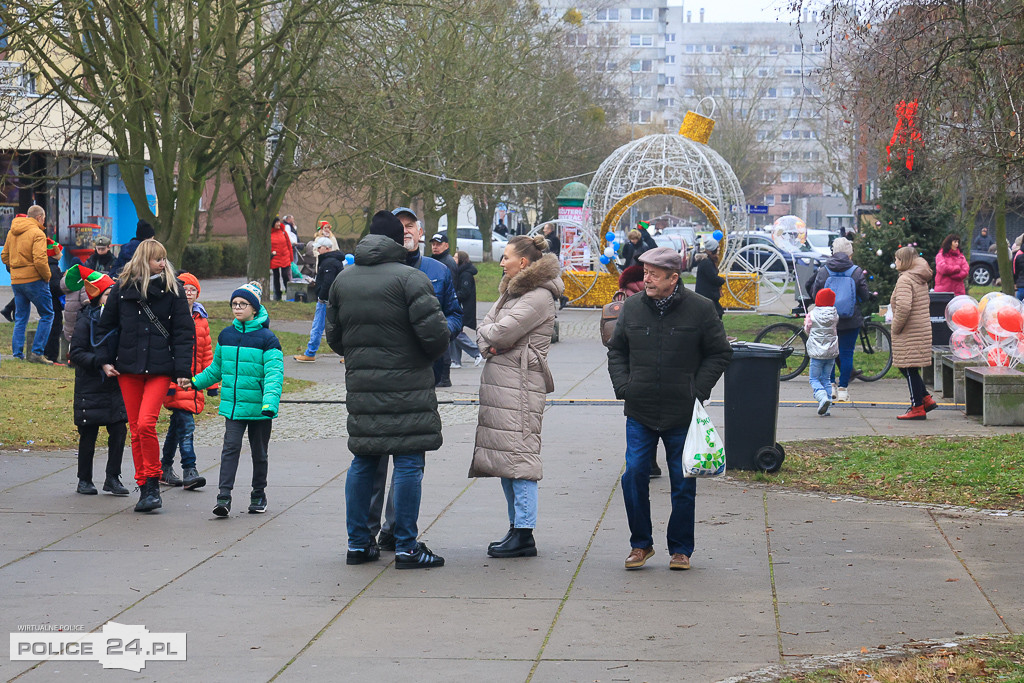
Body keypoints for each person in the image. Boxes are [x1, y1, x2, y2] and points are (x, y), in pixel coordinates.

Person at [325, 210, 449, 568]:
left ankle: (358, 544)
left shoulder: (343, 281)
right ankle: (408, 547)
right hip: (409, 387)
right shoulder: (411, 279)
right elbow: (436, 335)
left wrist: (362, 357)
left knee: (364, 459)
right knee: (409, 461)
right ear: (398, 241)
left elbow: (334, 337)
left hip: (363, 387)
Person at [607, 247, 732, 571]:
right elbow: (616, 351)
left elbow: (719, 353)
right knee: (634, 474)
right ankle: (640, 544)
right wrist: (624, 387)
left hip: (682, 413)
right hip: (640, 409)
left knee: (682, 481)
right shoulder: (632, 308)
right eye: (644, 271)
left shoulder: (701, 309)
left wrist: (698, 390)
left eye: (653, 274)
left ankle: (680, 549)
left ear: (673, 278)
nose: (645, 278)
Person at [469, 234, 563, 558]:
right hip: (505, 382)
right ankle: (515, 527)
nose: (501, 263)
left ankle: (524, 533)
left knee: (520, 457)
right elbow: (487, 327)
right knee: (507, 458)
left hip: (520, 385)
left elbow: (499, 332)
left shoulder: (537, 296)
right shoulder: (513, 291)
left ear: (523, 262)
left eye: (505, 257)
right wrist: (492, 339)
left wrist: (493, 339)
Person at [95, 239, 195, 513]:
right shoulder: (121, 289)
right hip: (128, 368)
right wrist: (104, 361)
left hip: (160, 368)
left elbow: (184, 333)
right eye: (157, 260)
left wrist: (184, 371)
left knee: (145, 424)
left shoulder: (171, 289)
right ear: (144, 260)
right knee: (136, 428)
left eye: (164, 259)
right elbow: (106, 327)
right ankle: (145, 485)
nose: (163, 264)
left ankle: (152, 483)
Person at [189, 281, 283, 516]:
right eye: (234, 304)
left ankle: (258, 493)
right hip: (233, 407)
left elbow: (274, 374)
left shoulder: (267, 338)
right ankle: (224, 496)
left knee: (259, 453)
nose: (238, 308)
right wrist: (193, 383)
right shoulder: (227, 335)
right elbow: (216, 369)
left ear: (254, 308)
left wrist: (270, 402)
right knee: (229, 449)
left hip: (261, 408)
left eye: (243, 304)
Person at [66, 265, 130, 497]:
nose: (112, 298)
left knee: (119, 430)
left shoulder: (121, 319)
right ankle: (84, 479)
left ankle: (113, 477)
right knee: (89, 433)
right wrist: (100, 363)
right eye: (107, 294)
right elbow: (76, 353)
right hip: (90, 386)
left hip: (114, 386)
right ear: (98, 297)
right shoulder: (86, 320)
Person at [394, 207, 462, 388]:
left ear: (420, 232)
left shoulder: (439, 270)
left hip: (429, 367)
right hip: (389, 367)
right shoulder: (376, 271)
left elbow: (455, 314)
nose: (405, 231)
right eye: (399, 227)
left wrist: (441, 332)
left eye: (409, 226)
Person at [159, 272, 213, 490]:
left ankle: (163, 467)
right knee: (187, 425)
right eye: (185, 289)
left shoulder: (201, 319)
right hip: (176, 382)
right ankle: (190, 469)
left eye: (193, 290)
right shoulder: (170, 316)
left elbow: (207, 354)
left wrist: (210, 383)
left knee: (177, 427)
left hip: (194, 383)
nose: (189, 293)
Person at [809, 237, 869, 403]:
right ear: (850, 254)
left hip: (829, 320)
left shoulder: (824, 270)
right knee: (847, 353)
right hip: (851, 319)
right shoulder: (856, 271)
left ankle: (831, 386)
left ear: (833, 252)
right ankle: (843, 389)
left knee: (830, 354)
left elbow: (815, 294)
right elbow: (865, 295)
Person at [1, 206, 55, 364]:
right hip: (35, 280)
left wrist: (16, 269)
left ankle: (17, 355)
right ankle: (37, 352)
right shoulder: (38, 233)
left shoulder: (12, 232)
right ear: (39, 217)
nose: (44, 221)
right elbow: (39, 259)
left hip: (17, 281)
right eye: (44, 218)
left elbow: (4, 256)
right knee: (47, 314)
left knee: (20, 318)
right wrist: (47, 276)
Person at [890, 246, 938, 420]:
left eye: (897, 259)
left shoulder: (905, 280)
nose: (895, 262)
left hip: (910, 330)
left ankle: (917, 406)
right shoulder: (919, 278)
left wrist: (895, 327)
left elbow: (903, 307)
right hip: (921, 328)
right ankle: (925, 398)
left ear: (904, 261)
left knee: (908, 368)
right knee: (907, 366)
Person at [294, 237, 345, 363]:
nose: (317, 249)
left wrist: (321, 296)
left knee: (317, 326)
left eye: (319, 247)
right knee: (340, 326)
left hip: (326, 300)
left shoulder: (329, 262)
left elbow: (328, 282)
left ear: (327, 248)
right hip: (335, 299)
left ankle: (310, 352)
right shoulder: (334, 261)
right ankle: (347, 354)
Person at [804, 288, 839, 417]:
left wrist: (806, 322)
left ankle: (822, 396)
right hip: (831, 352)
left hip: (816, 353)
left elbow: (807, 329)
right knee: (826, 379)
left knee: (814, 379)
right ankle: (827, 406)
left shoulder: (812, 314)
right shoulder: (835, 315)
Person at [451, 250, 483, 368]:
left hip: (463, 308)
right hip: (460, 307)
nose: (453, 259)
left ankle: (476, 352)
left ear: (461, 259)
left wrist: (452, 296)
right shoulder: (460, 272)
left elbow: (464, 292)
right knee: (455, 332)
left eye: (456, 257)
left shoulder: (466, 275)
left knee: (455, 333)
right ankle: (455, 360)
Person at [693, 237, 725, 319]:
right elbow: (713, 278)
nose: (717, 252)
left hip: (708, 296)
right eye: (716, 250)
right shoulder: (707, 263)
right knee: (715, 315)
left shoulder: (707, 261)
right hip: (707, 296)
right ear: (711, 251)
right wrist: (722, 280)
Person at [270, 217, 292, 301]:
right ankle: (277, 294)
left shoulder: (283, 231)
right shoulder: (270, 233)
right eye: (276, 222)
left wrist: (290, 258)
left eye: (279, 222)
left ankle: (288, 292)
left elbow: (288, 244)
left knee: (285, 275)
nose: (279, 224)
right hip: (275, 257)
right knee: (276, 276)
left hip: (284, 256)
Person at [1012, 234, 1024, 301]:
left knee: (1018, 305)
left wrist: (1015, 281)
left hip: (1021, 285)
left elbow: (1014, 271)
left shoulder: (1018, 254)